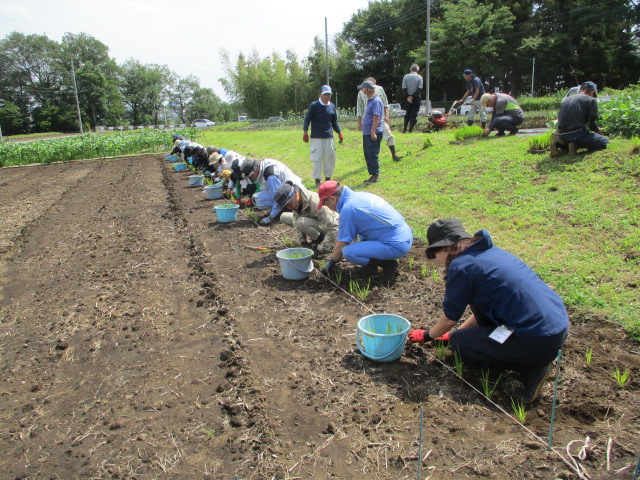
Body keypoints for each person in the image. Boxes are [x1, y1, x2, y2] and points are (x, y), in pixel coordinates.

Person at [407, 218, 570, 403]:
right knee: (461, 336)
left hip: (535, 338)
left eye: (434, 253)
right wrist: (453, 333)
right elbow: (481, 313)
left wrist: (428, 335)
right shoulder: (489, 254)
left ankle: (532, 367)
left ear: (444, 247)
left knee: (461, 345)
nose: (436, 260)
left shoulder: (462, 267)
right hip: (556, 325)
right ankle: (533, 356)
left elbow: (449, 319)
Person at [319, 181, 413, 286]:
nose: (328, 208)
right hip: (405, 235)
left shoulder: (349, 209)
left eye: (325, 204)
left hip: (396, 244)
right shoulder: (359, 196)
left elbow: (342, 243)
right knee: (360, 230)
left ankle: (389, 264)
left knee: (348, 252)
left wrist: (330, 264)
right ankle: (371, 267)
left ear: (332, 199)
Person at [275, 181, 338, 255]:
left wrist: (321, 249)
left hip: (333, 227)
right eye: (286, 206)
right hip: (317, 221)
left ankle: (320, 239)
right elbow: (295, 221)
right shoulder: (296, 202)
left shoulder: (315, 202)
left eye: (288, 204)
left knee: (301, 222)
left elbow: (335, 227)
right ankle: (317, 239)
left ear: (295, 195)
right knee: (284, 216)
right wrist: (302, 241)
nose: (288, 207)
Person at [550, 81, 609, 157]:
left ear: (580, 89)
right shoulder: (591, 100)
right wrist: (598, 130)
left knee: (570, 138)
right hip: (577, 134)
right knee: (604, 141)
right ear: (592, 92)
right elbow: (592, 125)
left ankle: (559, 144)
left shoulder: (565, 100)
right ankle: (576, 145)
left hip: (561, 134)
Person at [303, 85, 344, 188]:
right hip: (316, 137)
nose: (327, 96)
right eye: (325, 94)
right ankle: (317, 180)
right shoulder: (314, 106)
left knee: (330, 157)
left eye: (329, 94)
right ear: (320, 94)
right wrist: (305, 132)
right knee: (317, 158)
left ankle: (328, 178)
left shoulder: (332, 106)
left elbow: (334, 122)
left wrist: (339, 132)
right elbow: (307, 119)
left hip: (329, 137)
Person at [241, 158, 303, 226]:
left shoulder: (271, 176)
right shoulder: (264, 167)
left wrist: (270, 217)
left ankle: (284, 209)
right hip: (285, 189)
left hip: (294, 193)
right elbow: (268, 189)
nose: (252, 177)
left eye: (252, 175)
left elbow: (277, 196)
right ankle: (281, 208)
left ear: (256, 169)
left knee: (260, 199)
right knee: (258, 198)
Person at [357, 77, 402, 162]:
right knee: (370, 143)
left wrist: (387, 115)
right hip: (368, 121)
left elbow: (385, 103)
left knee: (388, 136)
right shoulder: (360, 93)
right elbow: (360, 108)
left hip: (378, 119)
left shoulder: (379, 89)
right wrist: (359, 122)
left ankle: (393, 155)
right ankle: (372, 160)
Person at [358, 80, 384, 184]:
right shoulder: (370, 100)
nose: (362, 91)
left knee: (372, 153)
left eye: (363, 89)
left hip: (373, 132)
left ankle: (375, 176)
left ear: (367, 90)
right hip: (367, 132)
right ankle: (372, 175)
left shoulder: (376, 101)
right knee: (368, 153)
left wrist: (373, 132)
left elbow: (376, 117)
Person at [401, 64, 423, 133]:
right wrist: (413, 96)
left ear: (410, 69)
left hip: (407, 97)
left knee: (407, 112)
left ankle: (404, 129)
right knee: (414, 113)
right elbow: (420, 88)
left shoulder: (406, 77)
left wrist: (408, 96)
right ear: (417, 70)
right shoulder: (419, 77)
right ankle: (410, 130)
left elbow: (404, 87)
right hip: (416, 97)